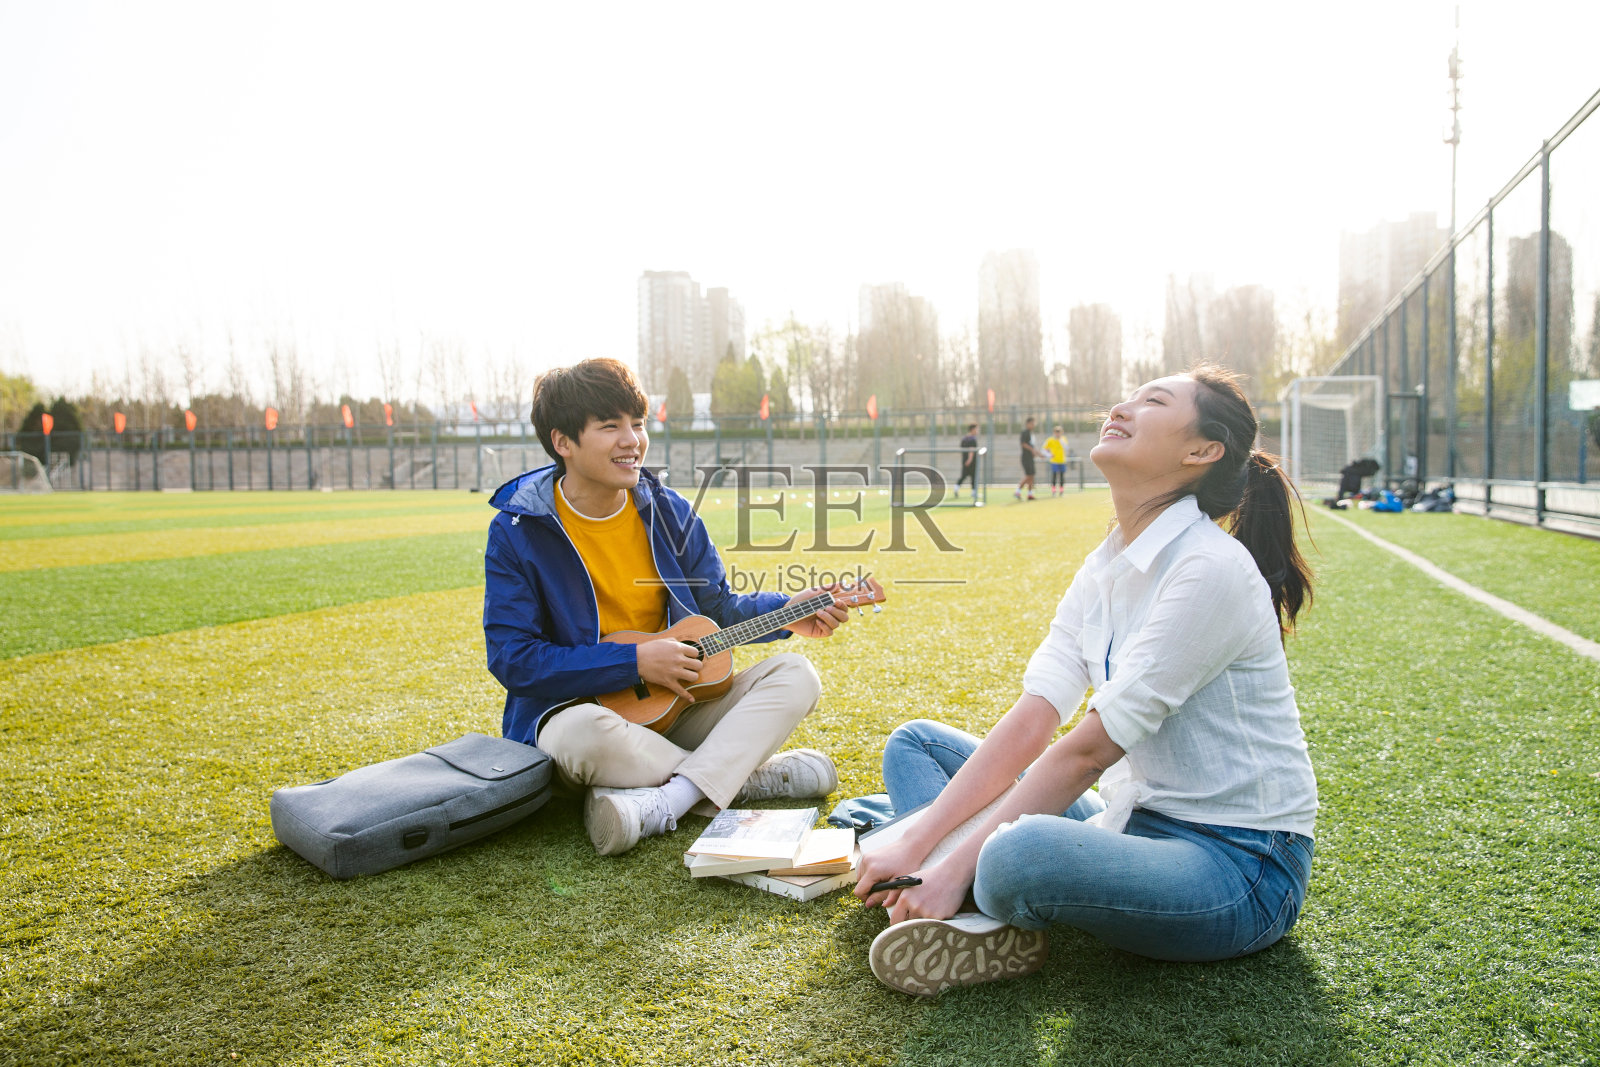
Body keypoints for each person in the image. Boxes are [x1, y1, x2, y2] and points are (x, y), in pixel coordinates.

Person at [856, 364, 1317, 997]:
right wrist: (921, 838)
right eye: (1128, 397)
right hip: (1131, 819)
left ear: (1200, 450)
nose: (1121, 408)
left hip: (1239, 864)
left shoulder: (1210, 569)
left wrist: (945, 858)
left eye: (1152, 401)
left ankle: (951, 882)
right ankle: (936, 871)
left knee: (1019, 855)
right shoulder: (1106, 565)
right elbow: (1036, 717)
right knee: (917, 744)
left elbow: (1088, 753)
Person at [483, 358, 851, 856]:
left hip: (676, 705)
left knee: (796, 675)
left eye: (637, 423)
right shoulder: (516, 531)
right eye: (610, 426)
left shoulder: (670, 511)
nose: (631, 440)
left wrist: (788, 611)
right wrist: (633, 661)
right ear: (563, 442)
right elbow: (514, 658)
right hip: (585, 716)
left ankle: (670, 797)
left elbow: (715, 605)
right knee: (581, 736)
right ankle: (743, 779)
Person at [1014, 416, 1049, 501]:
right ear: (1028, 424)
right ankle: (1017, 491)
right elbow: (1023, 444)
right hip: (1026, 458)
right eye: (1032, 423)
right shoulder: (1025, 433)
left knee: (1032, 475)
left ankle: (1030, 494)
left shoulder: (1031, 434)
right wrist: (1032, 450)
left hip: (1030, 458)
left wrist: (1039, 454)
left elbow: (1032, 447)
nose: (1033, 425)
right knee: (1028, 475)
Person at [954, 423, 980, 498]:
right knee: (974, 476)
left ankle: (956, 488)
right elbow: (971, 450)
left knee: (963, 476)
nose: (977, 431)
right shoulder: (972, 439)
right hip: (971, 461)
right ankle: (974, 492)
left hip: (964, 460)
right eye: (976, 429)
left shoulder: (964, 439)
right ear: (972, 429)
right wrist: (969, 460)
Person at [1043, 425, 1069, 496]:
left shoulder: (1063, 439)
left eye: (1059, 432)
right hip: (1054, 461)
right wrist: (1049, 455)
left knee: (1061, 476)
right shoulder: (1050, 440)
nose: (1058, 433)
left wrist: (1061, 440)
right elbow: (1043, 450)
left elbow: (1067, 448)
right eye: (1056, 432)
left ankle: (1061, 491)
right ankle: (1054, 491)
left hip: (1062, 461)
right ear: (1054, 432)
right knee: (1054, 476)